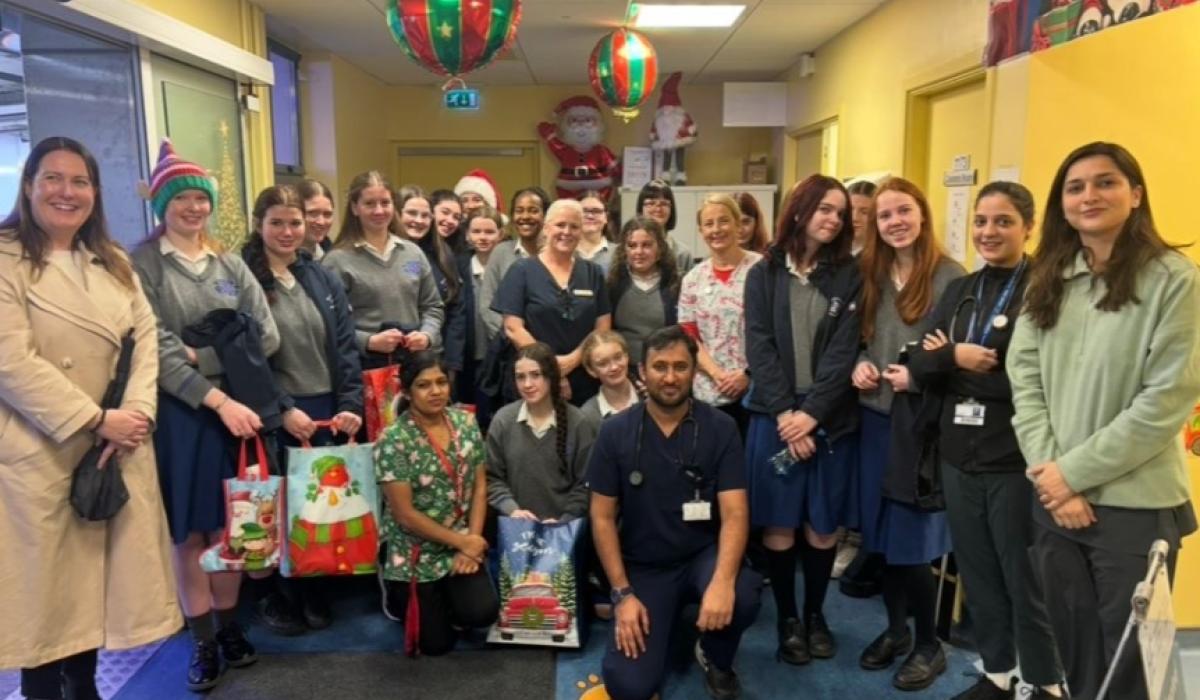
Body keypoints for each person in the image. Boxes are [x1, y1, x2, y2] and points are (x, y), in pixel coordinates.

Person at [1008, 142, 1200, 700]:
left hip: (1135, 508)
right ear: (1061, 204)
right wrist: (1051, 475)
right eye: (1075, 186)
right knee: (1078, 654)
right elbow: (1025, 379)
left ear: (1136, 194)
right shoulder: (1050, 276)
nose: (1090, 195)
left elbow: (1167, 397)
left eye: (1106, 182)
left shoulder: (1174, 279)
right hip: (1053, 503)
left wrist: (1072, 474)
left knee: (1137, 667)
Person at [0, 136, 181, 700]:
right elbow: (10, 360)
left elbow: (146, 337)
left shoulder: (112, 260)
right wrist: (94, 418)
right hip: (40, 448)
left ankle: (86, 690)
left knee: (94, 599)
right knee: (43, 603)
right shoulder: (6, 258)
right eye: (52, 178)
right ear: (28, 185)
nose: (66, 192)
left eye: (79, 181)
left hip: (113, 447)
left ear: (95, 194)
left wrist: (138, 413)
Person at [130, 139, 280, 691]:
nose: (193, 208)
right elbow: (156, 349)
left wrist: (208, 352)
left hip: (238, 415)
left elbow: (265, 334)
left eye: (201, 198)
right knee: (191, 535)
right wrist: (216, 387)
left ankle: (230, 626)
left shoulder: (229, 263)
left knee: (235, 526)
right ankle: (203, 642)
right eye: (182, 198)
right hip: (184, 415)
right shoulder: (141, 265)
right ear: (162, 204)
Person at [907, 181, 1065, 700]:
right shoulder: (962, 289)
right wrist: (954, 358)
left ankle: (1045, 681)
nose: (988, 232)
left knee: (1023, 578)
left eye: (1002, 221)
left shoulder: (1047, 288)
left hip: (1013, 458)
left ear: (1028, 226)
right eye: (981, 221)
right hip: (957, 456)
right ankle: (998, 672)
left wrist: (955, 364)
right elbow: (920, 363)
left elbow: (1037, 380)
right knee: (977, 571)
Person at [588, 326, 762, 700]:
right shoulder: (615, 433)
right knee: (629, 687)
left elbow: (735, 513)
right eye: (660, 367)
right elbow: (601, 517)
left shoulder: (721, 427)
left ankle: (715, 654)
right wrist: (622, 594)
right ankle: (676, 621)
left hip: (703, 556)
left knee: (744, 593)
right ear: (642, 371)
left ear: (695, 371)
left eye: (681, 367)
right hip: (645, 567)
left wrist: (723, 581)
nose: (670, 377)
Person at [743, 175, 862, 666]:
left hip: (829, 416)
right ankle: (788, 618)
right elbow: (760, 345)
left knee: (821, 528)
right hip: (775, 414)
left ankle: (816, 615)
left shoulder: (852, 274)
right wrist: (788, 414)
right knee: (779, 525)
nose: (832, 219)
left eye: (840, 212)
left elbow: (843, 352)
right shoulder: (764, 272)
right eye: (824, 209)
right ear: (800, 210)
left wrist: (811, 416)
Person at [851, 177, 964, 691]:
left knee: (913, 541)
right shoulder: (869, 272)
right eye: (884, 215)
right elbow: (854, 341)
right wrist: (858, 365)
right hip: (873, 421)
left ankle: (928, 644)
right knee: (880, 536)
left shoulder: (949, 278)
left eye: (904, 211)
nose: (895, 222)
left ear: (922, 214)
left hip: (921, 428)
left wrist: (917, 376)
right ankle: (895, 630)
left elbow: (961, 359)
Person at [241, 184, 364, 634]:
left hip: (328, 407)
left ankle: (315, 588)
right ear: (260, 225)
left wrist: (350, 403)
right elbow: (249, 359)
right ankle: (275, 594)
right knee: (276, 508)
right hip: (278, 412)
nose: (288, 231)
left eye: (295, 222)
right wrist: (283, 408)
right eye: (277, 222)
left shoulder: (320, 275)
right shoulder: (244, 277)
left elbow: (346, 345)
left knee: (319, 509)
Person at [375, 351, 499, 656]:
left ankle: (451, 598)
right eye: (424, 385)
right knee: (435, 646)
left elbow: (480, 486)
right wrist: (465, 542)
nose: (436, 391)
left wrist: (470, 540)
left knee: (482, 613)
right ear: (407, 392)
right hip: (415, 549)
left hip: (460, 538)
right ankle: (395, 595)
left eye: (441, 382)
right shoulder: (393, 439)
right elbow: (404, 515)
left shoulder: (466, 421)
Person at [493, 198, 612, 405]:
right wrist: (552, 368)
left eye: (574, 226)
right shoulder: (521, 271)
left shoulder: (593, 272)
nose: (566, 232)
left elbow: (602, 327)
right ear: (547, 228)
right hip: (535, 378)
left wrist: (573, 360)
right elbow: (513, 328)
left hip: (584, 376)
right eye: (560, 225)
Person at [321, 170, 444, 369]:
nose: (379, 211)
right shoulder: (337, 260)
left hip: (413, 365)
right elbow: (329, 323)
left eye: (385, 203)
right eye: (369, 203)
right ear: (354, 207)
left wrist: (427, 335)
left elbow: (433, 306)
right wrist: (368, 341)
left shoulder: (413, 253)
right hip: (365, 367)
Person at [486, 342, 599, 522]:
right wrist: (511, 510)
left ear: (551, 377)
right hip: (516, 528)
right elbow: (492, 478)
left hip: (565, 533)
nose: (527, 384)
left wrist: (565, 519)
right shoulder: (503, 420)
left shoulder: (578, 423)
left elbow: (586, 484)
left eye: (535, 375)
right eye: (520, 377)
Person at [677, 193, 761, 436]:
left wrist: (747, 374)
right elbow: (689, 335)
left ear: (738, 224)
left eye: (724, 221)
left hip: (755, 390)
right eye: (708, 224)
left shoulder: (762, 270)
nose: (716, 229)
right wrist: (717, 374)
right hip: (709, 391)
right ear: (701, 230)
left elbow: (774, 330)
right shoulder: (693, 278)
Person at [396, 187, 467, 383]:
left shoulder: (443, 254)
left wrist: (452, 363)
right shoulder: (385, 254)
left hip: (435, 355)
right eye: (411, 213)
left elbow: (455, 311)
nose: (418, 220)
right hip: (393, 357)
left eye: (425, 215)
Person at [479, 186, 550, 343]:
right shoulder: (500, 252)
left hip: (551, 344)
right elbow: (487, 304)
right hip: (509, 345)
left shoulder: (557, 255)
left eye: (533, 210)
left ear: (545, 216)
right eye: (519, 210)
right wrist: (514, 338)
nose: (525, 216)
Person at [607, 217, 680, 368]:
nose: (638, 252)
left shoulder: (676, 284)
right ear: (624, 250)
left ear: (660, 249)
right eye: (632, 245)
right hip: (622, 372)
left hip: (665, 370)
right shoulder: (613, 285)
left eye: (646, 245)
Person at [458, 205, 505, 423]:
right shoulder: (459, 267)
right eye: (476, 232)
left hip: (504, 355)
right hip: (472, 356)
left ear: (501, 234)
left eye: (489, 232)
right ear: (467, 234)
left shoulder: (511, 266)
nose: (483, 237)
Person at [579, 330, 640, 423]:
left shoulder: (651, 396)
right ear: (591, 371)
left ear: (627, 356)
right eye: (603, 364)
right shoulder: (588, 416)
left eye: (618, 357)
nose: (614, 367)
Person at [636, 178, 694, 273]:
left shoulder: (683, 254)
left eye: (664, 204)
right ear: (640, 209)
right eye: (651, 203)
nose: (658, 209)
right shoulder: (630, 251)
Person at [297, 178, 335, 260]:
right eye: (312, 213)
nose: (321, 222)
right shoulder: (282, 261)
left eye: (327, 214)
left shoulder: (333, 257)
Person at [577, 190, 614, 273]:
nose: (590, 216)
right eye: (584, 211)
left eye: (596, 211)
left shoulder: (618, 253)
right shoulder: (565, 251)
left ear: (606, 217)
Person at [431, 188, 468, 255]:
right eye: (445, 212)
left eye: (456, 217)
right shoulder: (416, 245)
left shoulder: (459, 251)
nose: (451, 221)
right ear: (431, 211)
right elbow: (412, 265)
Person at [847, 180, 877, 256]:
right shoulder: (828, 250)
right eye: (850, 210)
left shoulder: (881, 257)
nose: (855, 218)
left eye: (864, 212)